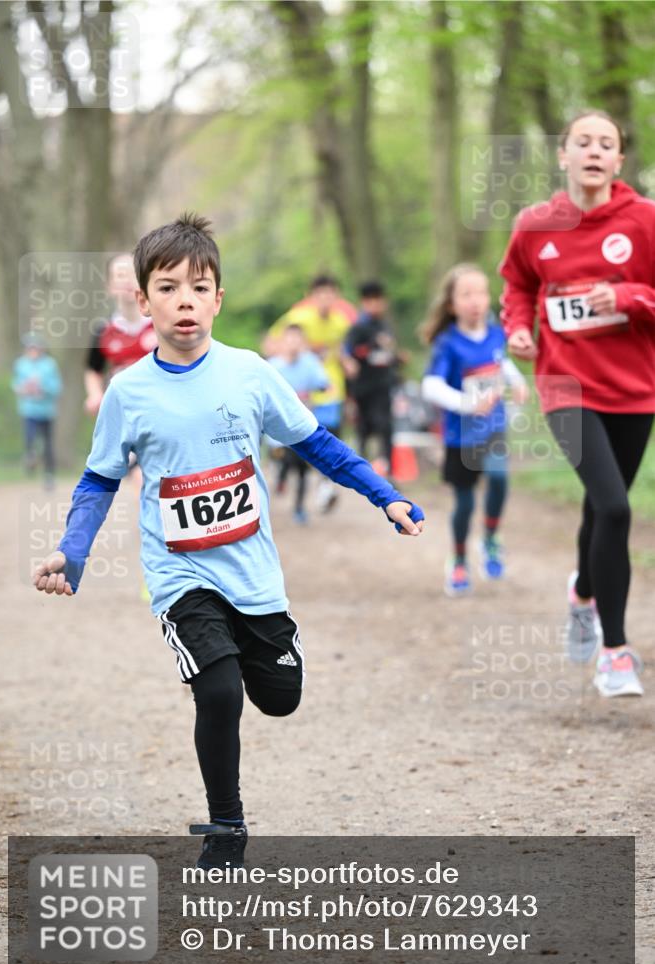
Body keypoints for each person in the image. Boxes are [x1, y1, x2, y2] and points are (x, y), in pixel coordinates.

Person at [32, 214, 425, 871]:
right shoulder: (129, 392)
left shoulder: (250, 374)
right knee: (217, 691)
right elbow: (98, 481)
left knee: (279, 697)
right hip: (179, 573)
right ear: (143, 301)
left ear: (218, 299)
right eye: (167, 288)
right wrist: (72, 553)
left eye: (198, 287)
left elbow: (317, 444)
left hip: (251, 571)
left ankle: (265, 650)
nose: (183, 300)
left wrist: (385, 495)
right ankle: (226, 826)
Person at [500, 109, 655, 697]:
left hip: (636, 387)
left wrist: (627, 296)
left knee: (599, 507)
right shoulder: (535, 225)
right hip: (566, 387)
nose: (594, 151)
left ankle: (583, 592)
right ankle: (615, 652)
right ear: (563, 155)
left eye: (606, 143)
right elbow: (518, 285)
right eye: (583, 142)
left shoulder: (644, 221)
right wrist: (519, 328)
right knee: (615, 508)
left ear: (619, 161)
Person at [421, 264, 528, 597]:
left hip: (493, 427)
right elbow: (430, 386)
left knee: (499, 478)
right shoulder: (447, 343)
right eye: (466, 294)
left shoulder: (497, 333)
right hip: (460, 437)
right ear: (452, 304)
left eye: (481, 292)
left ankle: (491, 539)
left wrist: (517, 381)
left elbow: (500, 361)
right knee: (465, 503)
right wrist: (467, 404)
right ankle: (458, 558)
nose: (475, 300)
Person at [265, 275, 357, 511]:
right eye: (321, 294)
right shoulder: (297, 318)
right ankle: (283, 472)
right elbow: (271, 342)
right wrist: (288, 359)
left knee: (330, 442)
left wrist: (347, 363)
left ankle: (325, 488)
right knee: (296, 450)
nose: (326, 299)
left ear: (337, 297)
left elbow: (340, 349)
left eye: (331, 294)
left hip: (330, 392)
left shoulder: (341, 321)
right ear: (311, 296)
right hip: (298, 396)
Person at [266, 323, 330, 524]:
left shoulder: (310, 362)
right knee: (285, 459)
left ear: (303, 343)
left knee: (302, 468)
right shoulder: (273, 365)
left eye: (297, 340)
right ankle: (281, 477)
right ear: (283, 342)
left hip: (303, 424)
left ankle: (299, 508)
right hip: (278, 428)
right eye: (290, 339)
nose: (293, 344)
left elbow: (323, 382)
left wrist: (320, 387)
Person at [343, 281, 406, 474]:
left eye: (378, 300)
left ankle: (388, 469)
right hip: (363, 388)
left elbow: (386, 355)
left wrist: (398, 359)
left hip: (383, 386)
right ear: (363, 303)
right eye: (370, 301)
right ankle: (361, 471)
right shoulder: (358, 328)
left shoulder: (385, 327)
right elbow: (348, 354)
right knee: (363, 429)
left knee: (385, 427)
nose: (375, 305)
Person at [84, 253, 158, 416]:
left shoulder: (162, 324)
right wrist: (95, 395)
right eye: (120, 275)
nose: (128, 280)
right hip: (122, 411)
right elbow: (93, 370)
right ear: (109, 286)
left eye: (133, 274)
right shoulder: (103, 330)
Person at [12, 332, 62, 490]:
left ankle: (49, 475)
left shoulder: (50, 364)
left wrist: (43, 388)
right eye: (29, 348)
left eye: (35, 348)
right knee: (29, 438)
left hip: (47, 411)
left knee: (48, 444)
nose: (32, 351)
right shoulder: (20, 364)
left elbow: (57, 387)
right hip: (28, 410)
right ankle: (31, 458)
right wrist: (22, 389)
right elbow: (15, 383)